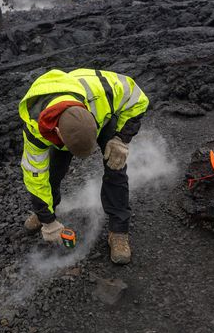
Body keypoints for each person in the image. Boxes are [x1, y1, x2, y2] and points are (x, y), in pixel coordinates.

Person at [18, 68, 149, 264]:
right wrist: (47, 219)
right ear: (58, 133)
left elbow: (138, 99)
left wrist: (121, 139)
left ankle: (119, 231)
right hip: (66, 130)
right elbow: (35, 175)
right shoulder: (35, 130)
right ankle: (45, 213)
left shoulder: (102, 91)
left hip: (101, 121)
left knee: (116, 167)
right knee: (51, 174)